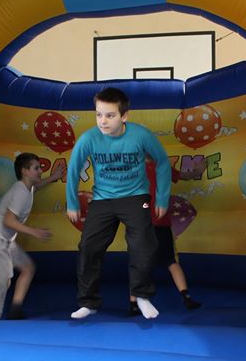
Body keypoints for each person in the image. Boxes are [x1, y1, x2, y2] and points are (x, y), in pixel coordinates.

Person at [66, 87, 171, 320]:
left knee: (143, 244)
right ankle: (88, 302)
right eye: (99, 114)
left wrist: (162, 197)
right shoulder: (89, 139)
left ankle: (141, 296)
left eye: (110, 115)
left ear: (124, 116)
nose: (103, 121)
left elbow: (163, 162)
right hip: (102, 199)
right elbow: (73, 170)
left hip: (135, 197)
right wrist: (71, 203)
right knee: (88, 248)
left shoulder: (141, 136)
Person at [0, 153, 64, 320]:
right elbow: (8, 221)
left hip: (5, 239)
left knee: (27, 268)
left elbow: (35, 188)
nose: (40, 171)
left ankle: (14, 309)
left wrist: (53, 177)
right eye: (36, 168)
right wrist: (34, 231)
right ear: (25, 171)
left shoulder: (26, 188)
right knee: (3, 280)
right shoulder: (20, 192)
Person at [129, 158, 205, 316]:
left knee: (139, 264)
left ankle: (134, 304)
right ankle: (186, 297)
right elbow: (186, 175)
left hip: (141, 223)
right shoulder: (161, 166)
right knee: (170, 261)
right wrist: (198, 170)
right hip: (159, 221)